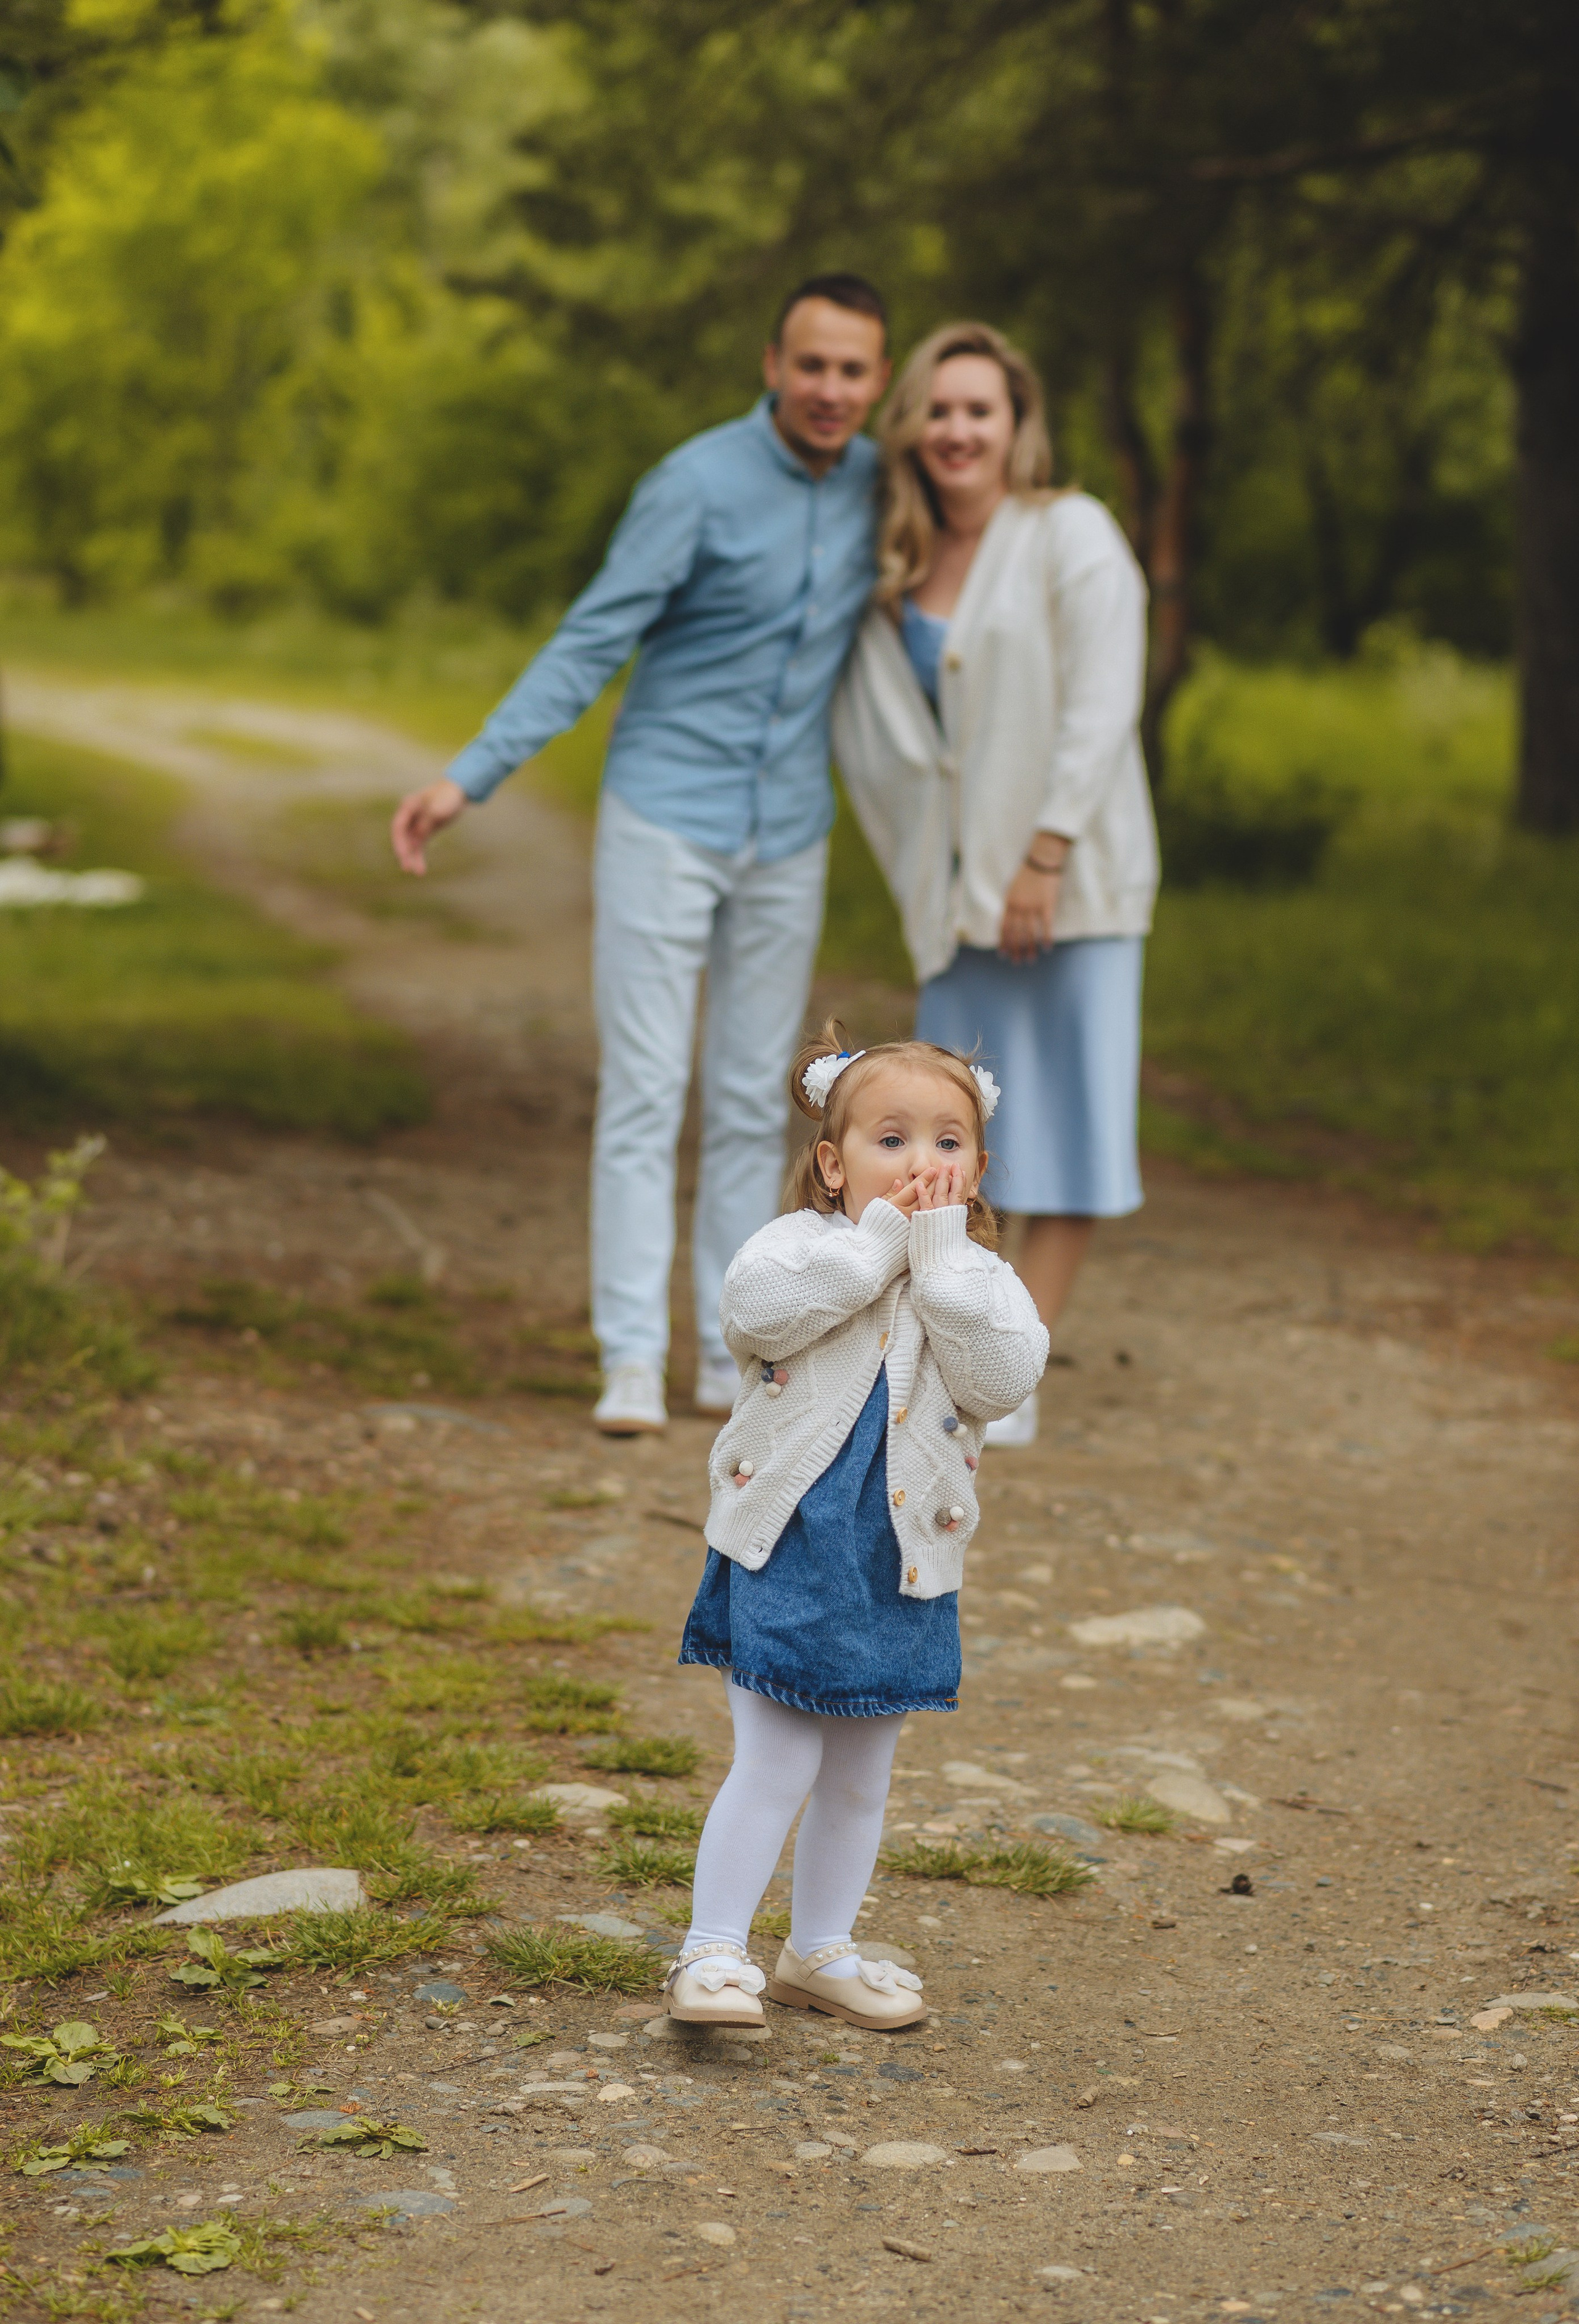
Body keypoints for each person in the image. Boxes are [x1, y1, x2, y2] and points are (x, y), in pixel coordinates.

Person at [390, 276, 892, 1434]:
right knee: (647, 1087)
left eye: (853, 371)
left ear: (877, 381)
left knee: (751, 1096)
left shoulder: (880, 488)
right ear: (773, 363)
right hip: (665, 815)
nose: (829, 390)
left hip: (788, 833)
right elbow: (590, 638)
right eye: (811, 365)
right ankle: (628, 1354)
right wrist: (470, 775)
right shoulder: (695, 484)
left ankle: (735, 1354)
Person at [662, 1025, 1047, 2029]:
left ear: (978, 1170)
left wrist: (942, 1264)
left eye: (948, 1142)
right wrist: (880, 1249)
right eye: (892, 1138)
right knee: (780, 1756)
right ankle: (711, 1949)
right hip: (791, 1538)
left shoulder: (982, 1284)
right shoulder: (801, 1248)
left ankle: (817, 1948)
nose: (924, 1162)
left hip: (901, 1557)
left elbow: (1003, 1381)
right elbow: (757, 1316)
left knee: (861, 1773)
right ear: (833, 1164)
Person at [831, 320, 1156, 1448]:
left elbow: (1105, 697)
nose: (960, 430)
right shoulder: (893, 564)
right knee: (943, 1142)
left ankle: (1013, 1375)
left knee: (1071, 1134)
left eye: (984, 409)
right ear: (910, 425)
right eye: (941, 409)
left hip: (1075, 889)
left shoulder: (1068, 531)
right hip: (963, 906)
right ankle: (963, 1351)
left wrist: (1047, 854)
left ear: (1018, 425)